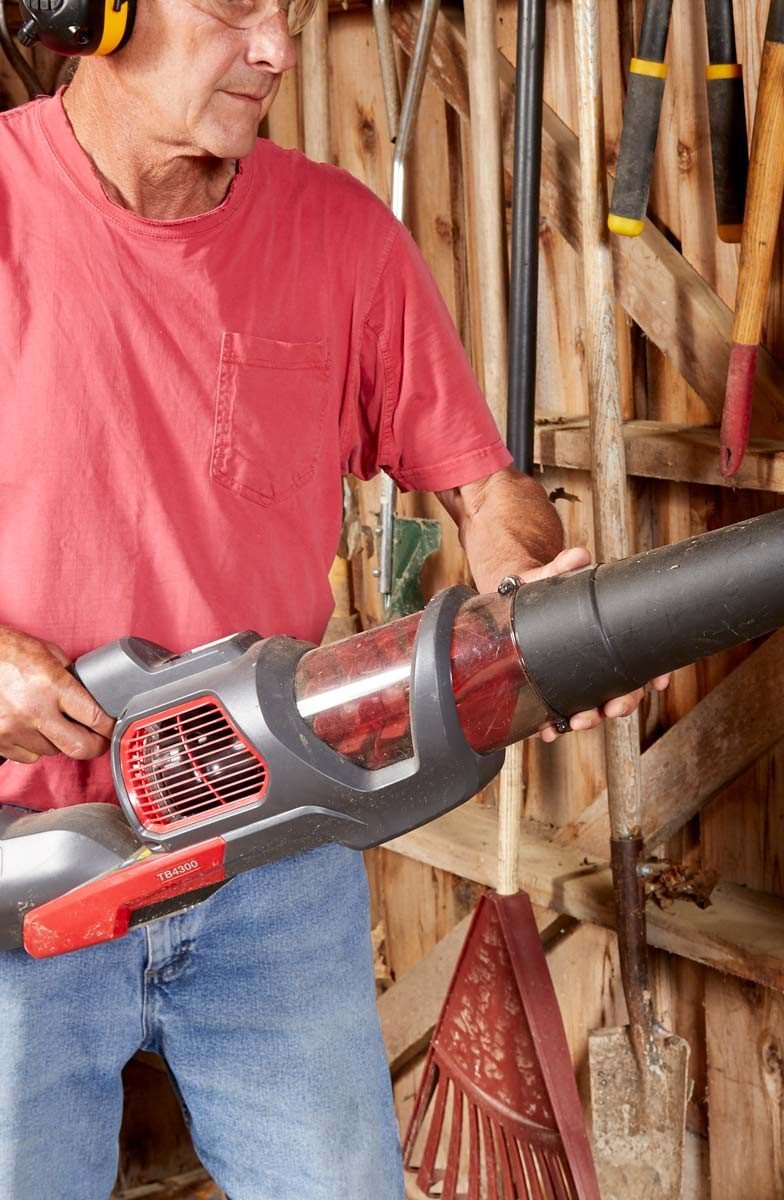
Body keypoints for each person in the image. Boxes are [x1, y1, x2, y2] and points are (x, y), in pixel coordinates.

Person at [0, 0, 660, 1194]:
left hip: (269, 854)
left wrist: (525, 593)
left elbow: (487, 491)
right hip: (21, 872)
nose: (277, 51)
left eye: (291, 14)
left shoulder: (342, 236)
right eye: (235, 11)